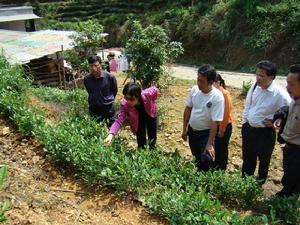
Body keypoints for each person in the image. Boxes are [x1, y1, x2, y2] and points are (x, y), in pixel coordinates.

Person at [241, 60, 291, 184]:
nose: (258, 78)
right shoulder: (254, 87)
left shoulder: (279, 94)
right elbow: (248, 106)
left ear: (271, 77)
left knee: (264, 161)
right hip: (249, 130)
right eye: (257, 74)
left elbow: (290, 111)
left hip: (265, 133)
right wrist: (245, 124)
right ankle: (244, 185)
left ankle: (258, 186)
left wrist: (276, 123)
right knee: (248, 160)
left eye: (262, 76)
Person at [182, 64, 224, 171]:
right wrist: (184, 129)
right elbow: (188, 109)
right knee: (196, 158)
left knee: (207, 159)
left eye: (202, 81)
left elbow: (215, 122)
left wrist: (209, 144)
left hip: (205, 134)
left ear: (210, 82)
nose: (198, 83)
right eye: (198, 79)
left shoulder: (217, 97)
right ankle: (198, 178)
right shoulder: (195, 90)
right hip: (192, 131)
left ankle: (206, 182)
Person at [104, 82, 158, 149]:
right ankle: (143, 153)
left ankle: (152, 151)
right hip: (138, 119)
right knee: (140, 138)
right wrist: (111, 135)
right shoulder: (125, 105)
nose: (128, 101)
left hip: (151, 115)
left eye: (131, 99)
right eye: (126, 98)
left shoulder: (147, 94)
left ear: (138, 96)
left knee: (152, 136)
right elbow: (119, 121)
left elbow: (155, 90)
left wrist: (153, 101)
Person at [276, 64, 300, 197]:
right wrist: (280, 118)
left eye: (291, 84)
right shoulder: (295, 100)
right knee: (288, 179)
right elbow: (288, 112)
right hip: (290, 149)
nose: (287, 88)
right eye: (287, 83)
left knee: (294, 185)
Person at [84, 55, 118, 127]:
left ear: (100, 65)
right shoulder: (87, 79)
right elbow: (89, 91)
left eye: (96, 65)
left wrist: (106, 99)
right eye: (91, 66)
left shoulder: (110, 77)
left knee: (111, 130)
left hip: (108, 108)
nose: (94, 68)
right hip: (94, 109)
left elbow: (114, 90)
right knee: (96, 130)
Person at [213, 74, 233, 171]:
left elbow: (226, 113)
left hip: (224, 126)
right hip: (215, 125)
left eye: (212, 83)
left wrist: (222, 129)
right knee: (215, 148)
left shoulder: (224, 94)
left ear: (218, 83)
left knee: (222, 150)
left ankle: (221, 170)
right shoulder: (213, 92)